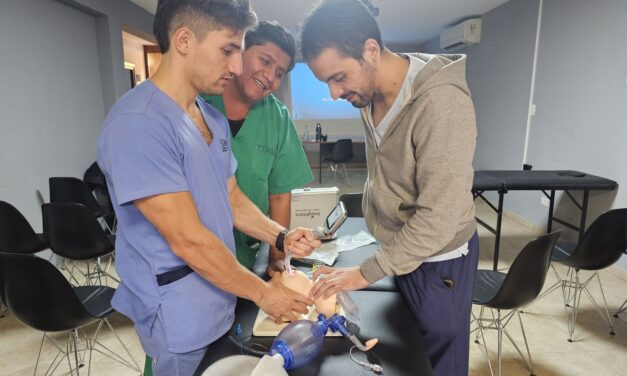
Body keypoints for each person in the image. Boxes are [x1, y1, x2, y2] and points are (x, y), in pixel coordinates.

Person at [97, 1, 320, 375]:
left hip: (221, 296)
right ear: (184, 40)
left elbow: (231, 198)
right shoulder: (138, 124)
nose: (236, 66)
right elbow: (188, 241)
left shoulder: (209, 117)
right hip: (177, 310)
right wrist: (266, 295)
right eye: (228, 50)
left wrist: (280, 236)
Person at [301, 1, 479, 375]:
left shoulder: (440, 103)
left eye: (339, 77)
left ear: (370, 50)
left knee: (439, 363)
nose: (335, 93)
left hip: (438, 260)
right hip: (401, 251)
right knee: (408, 355)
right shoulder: (369, 94)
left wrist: (366, 271)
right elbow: (386, 174)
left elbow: (438, 218)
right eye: (326, 83)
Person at [202, 21, 313, 274]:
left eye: (279, 73)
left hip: (248, 253)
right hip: (199, 254)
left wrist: (277, 258)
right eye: (265, 61)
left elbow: (279, 194)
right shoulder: (199, 104)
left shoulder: (277, 117)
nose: (270, 77)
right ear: (239, 51)